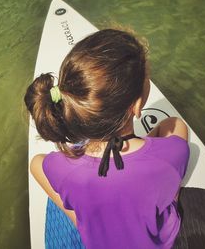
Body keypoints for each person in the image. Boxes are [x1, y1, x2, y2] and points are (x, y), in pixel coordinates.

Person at [24, 29, 190, 249]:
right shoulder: (172, 154)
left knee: (35, 162)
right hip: (159, 241)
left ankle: (80, 221)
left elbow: (36, 165)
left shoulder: (61, 168)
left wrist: (76, 215)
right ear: (137, 105)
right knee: (176, 125)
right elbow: (176, 131)